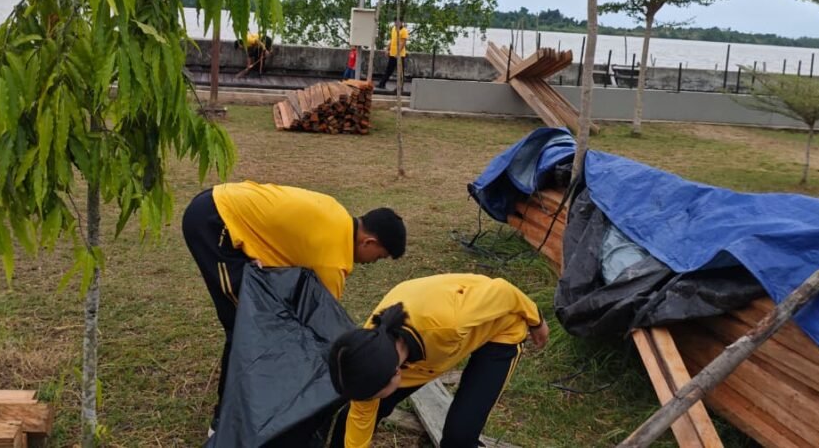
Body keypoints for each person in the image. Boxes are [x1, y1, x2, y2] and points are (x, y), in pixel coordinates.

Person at [181, 181, 407, 435]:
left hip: (221, 200)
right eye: (378, 257)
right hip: (213, 223)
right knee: (246, 328)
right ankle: (225, 422)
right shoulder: (332, 261)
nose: (372, 263)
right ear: (369, 242)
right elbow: (321, 328)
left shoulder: (338, 214)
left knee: (260, 319)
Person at [327, 273, 549, 447]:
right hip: (433, 348)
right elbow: (361, 415)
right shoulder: (367, 352)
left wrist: (536, 320)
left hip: (500, 331)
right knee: (351, 418)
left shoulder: (450, 322)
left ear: (397, 374)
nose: (366, 402)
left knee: (459, 437)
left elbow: (503, 291)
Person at [376, 19, 408, 90]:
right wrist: (387, 49)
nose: (396, 23)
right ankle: (382, 84)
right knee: (388, 70)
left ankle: (400, 87)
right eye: (395, 22)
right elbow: (392, 40)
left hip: (400, 55)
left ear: (401, 22)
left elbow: (403, 43)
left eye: (398, 22)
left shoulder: (404, 31)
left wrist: (398, 53)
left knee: (400, 72)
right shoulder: (393, 29)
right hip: (392, 53)